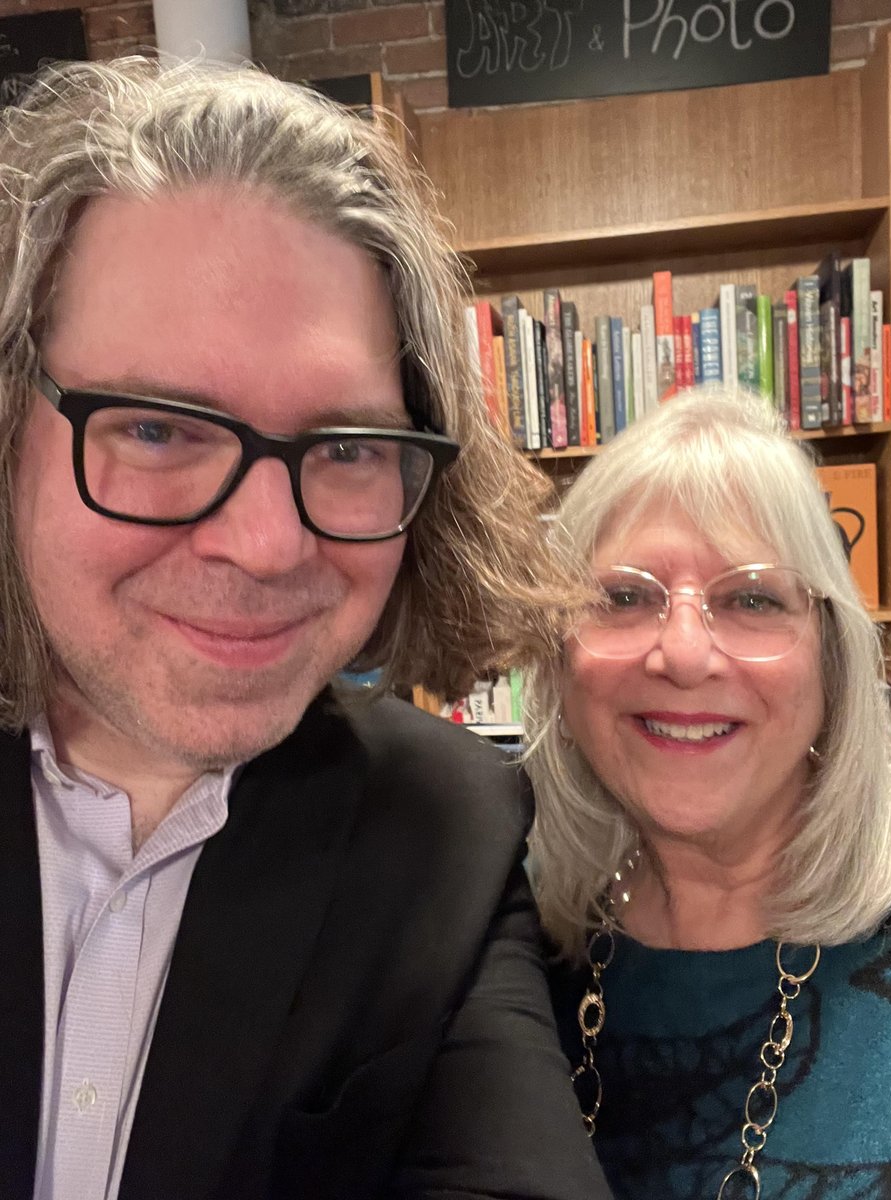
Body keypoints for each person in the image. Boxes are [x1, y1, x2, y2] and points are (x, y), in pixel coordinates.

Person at [0, 57, 609, 1200]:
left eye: (345, 450)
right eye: (159, 430)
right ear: (9, 427)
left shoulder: (439, 833)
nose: (269, 545)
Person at [524, 387, 891, 1199]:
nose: (685, 654)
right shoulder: (499, 942)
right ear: (558, 660)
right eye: (624, 597)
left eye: (752, 599)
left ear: (832, 662)